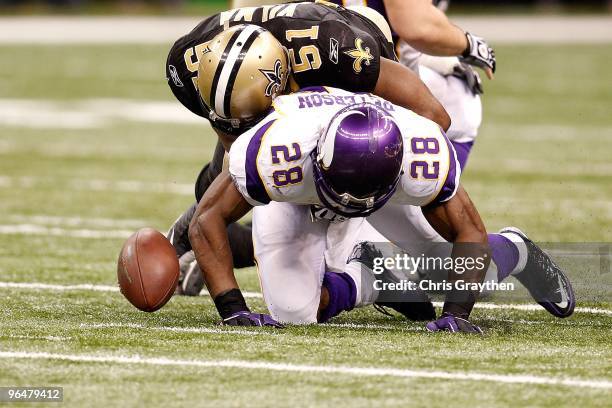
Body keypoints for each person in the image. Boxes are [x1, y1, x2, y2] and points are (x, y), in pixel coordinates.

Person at [188, 87, 575, 330]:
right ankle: (371, 280)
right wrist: (232, 308)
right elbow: (207, 219)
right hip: (302, 196)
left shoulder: (420, 156)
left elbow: (468, 232)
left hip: (383, 187)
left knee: (468, 274)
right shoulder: (276, 154)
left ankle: (517, 248)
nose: (352, 208)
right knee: (293, 313)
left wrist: (456, 314)